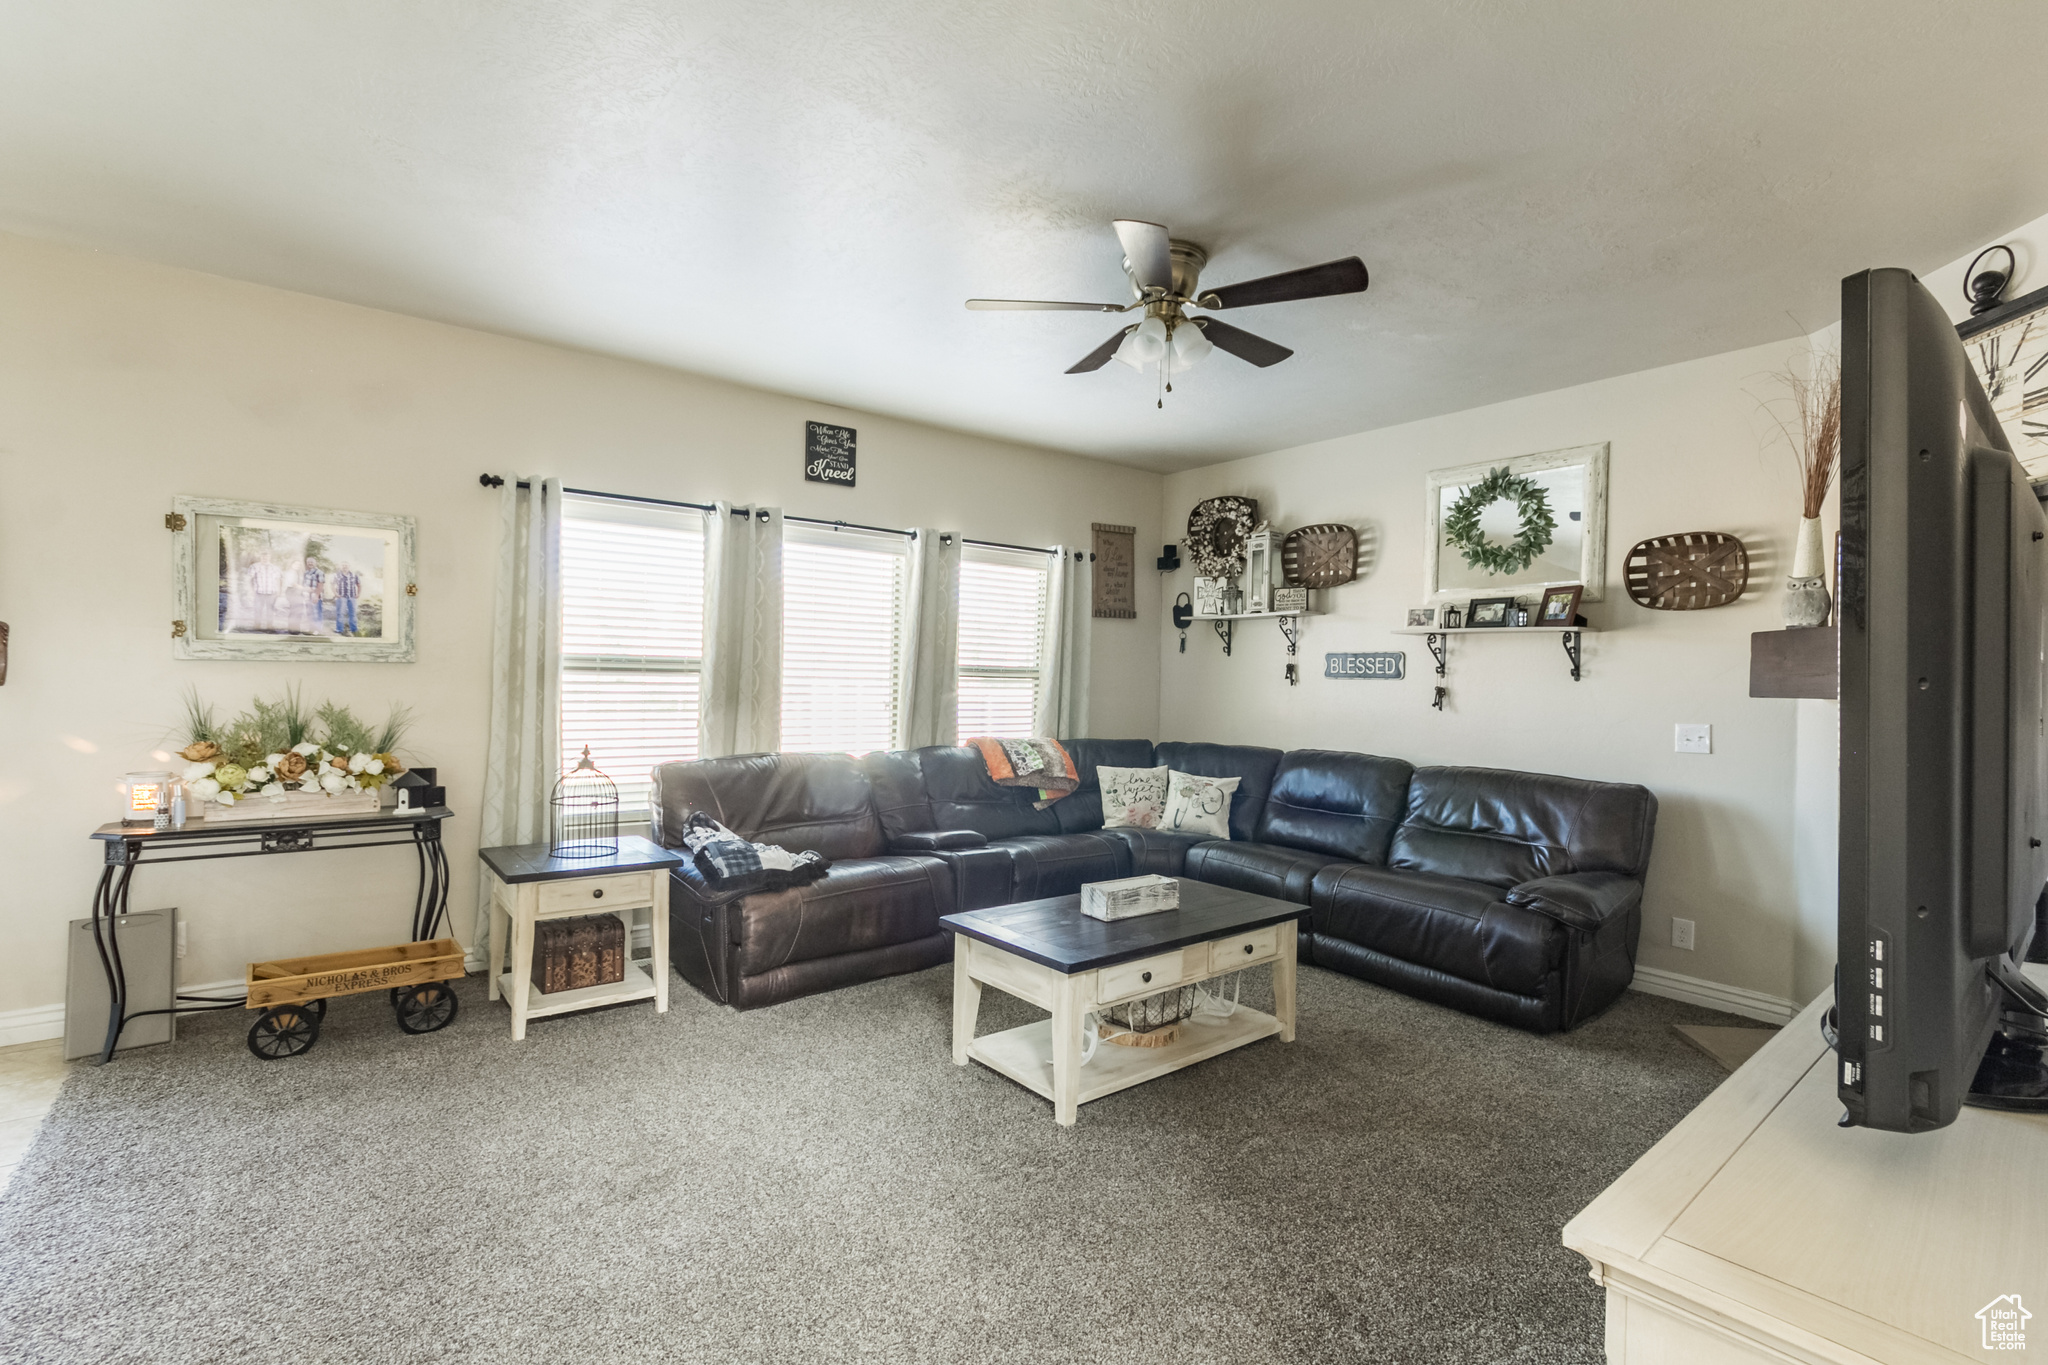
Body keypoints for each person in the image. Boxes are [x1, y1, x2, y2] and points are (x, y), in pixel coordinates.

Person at [247, 554, 284, 633]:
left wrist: (280, 591)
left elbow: (279, 580)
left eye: (267, 556)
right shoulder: (254, 567)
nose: (265, 558)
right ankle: (257, 626)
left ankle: (269, 626)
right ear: (260, 557)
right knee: (258, 610)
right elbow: (250, 579)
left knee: (270, 610)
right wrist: (251, 590)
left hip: (271, 592)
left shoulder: (275, 568)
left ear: (270, 557)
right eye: (263, 556)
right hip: (259, 592)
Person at [333, 561, 361, 635]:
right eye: (343, 566)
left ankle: (354, 629)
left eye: (346, 566)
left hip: (352, 597)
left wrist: (358, 594)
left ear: (349, 567)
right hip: (341, 597)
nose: (345, 567)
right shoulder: (337, 575)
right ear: (341, 567)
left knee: (353, 613)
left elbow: (359, 585)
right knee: (340, 613)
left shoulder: (354, 575)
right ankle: (339, 629)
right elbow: (332, 585)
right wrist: (335, 594)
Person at [301, 556, 326, 633]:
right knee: (309, 613)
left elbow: (320, 585)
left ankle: (318, 629)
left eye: (312, 562)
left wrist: (316, 595)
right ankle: (311, 628)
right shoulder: (306, 572)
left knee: (316, 613)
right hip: (307, 597)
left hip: (315, 596)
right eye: (308, 562)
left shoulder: (319, 572)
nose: (310, 563)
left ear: (315, 563)